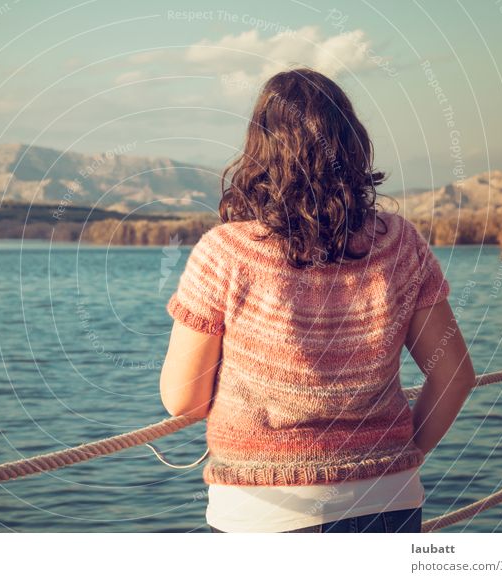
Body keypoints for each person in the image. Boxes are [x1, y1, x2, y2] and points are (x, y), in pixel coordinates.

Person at [159, 68, 476, 533]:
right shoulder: (400, 244)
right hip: (389, 501)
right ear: (351, 144)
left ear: (259, 149)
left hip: (262, 511)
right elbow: (455, 376)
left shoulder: (225, 252)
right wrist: (397, 458)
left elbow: (182, 401)